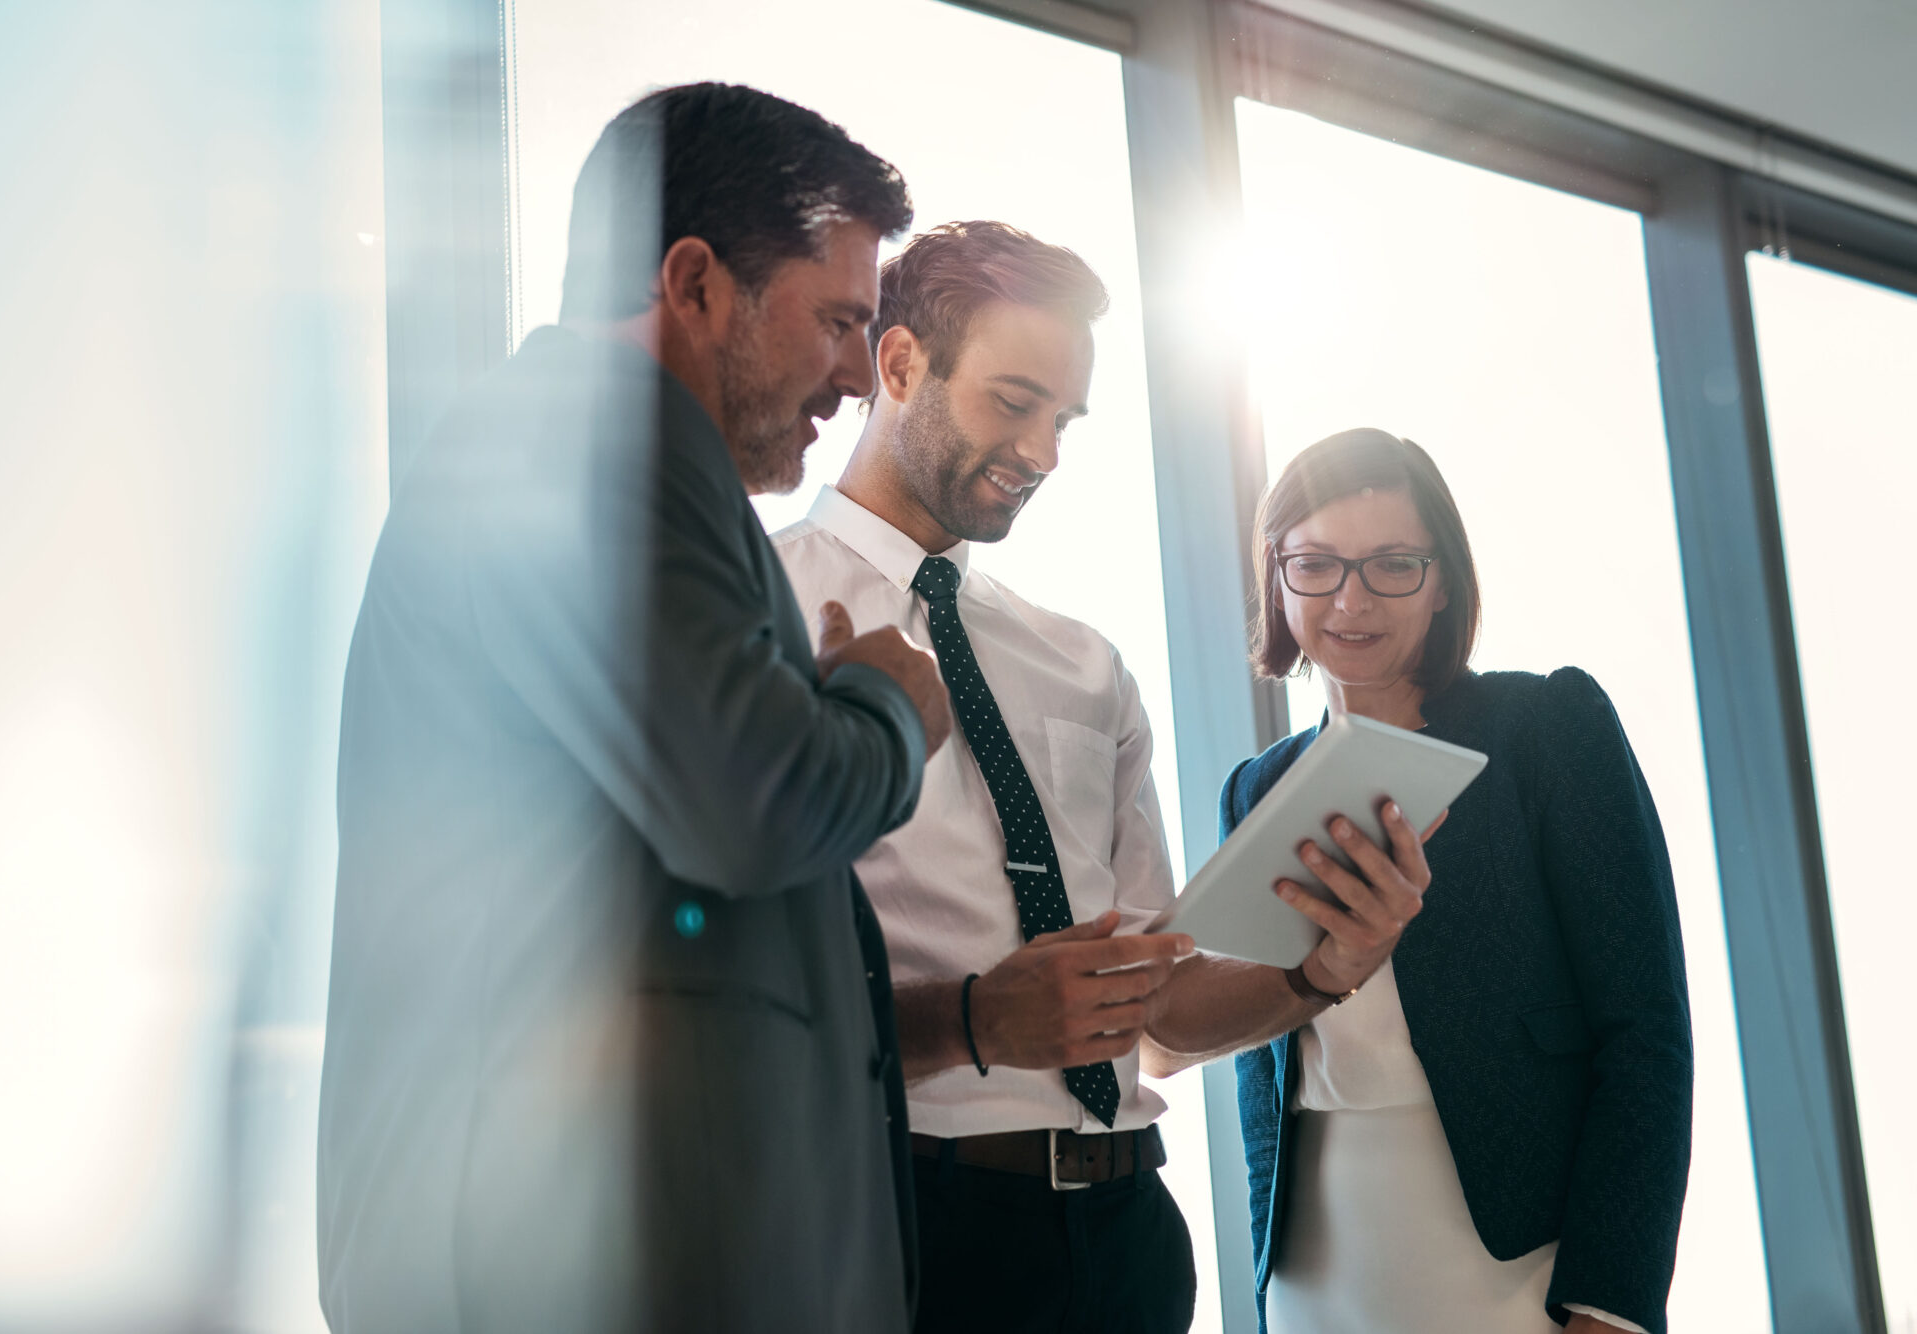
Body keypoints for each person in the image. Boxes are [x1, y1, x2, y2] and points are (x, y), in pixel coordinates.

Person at [318, 83, 952, 1334]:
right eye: (832, 320)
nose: (848, 377)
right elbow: (753, 797)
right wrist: (888, 700)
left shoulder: (600, 457)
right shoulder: (586, 438)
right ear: (694, 281)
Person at [772, 222, 1437, 1334]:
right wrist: (976, 1018)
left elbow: (1158, 1004)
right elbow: (731, 996)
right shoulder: (762, 612)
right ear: (897, 366)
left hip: (1128, 1232)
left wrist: (1322, 970)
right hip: (912, 1220)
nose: (1041, 451)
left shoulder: (1081, 664)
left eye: (1063, 419)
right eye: (1012, 399)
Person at [1220, 428, 1695, 1334]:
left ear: (1441, 582)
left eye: (1392, 564)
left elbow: (1646, 1035)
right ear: (1277, 578)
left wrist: (1612, 1304)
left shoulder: (1544, 726)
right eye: (1315, 564)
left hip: (1520, 1258)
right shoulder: (1255, 789)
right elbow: (1263, 1071)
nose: (1352, 598)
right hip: (1317, 1260)